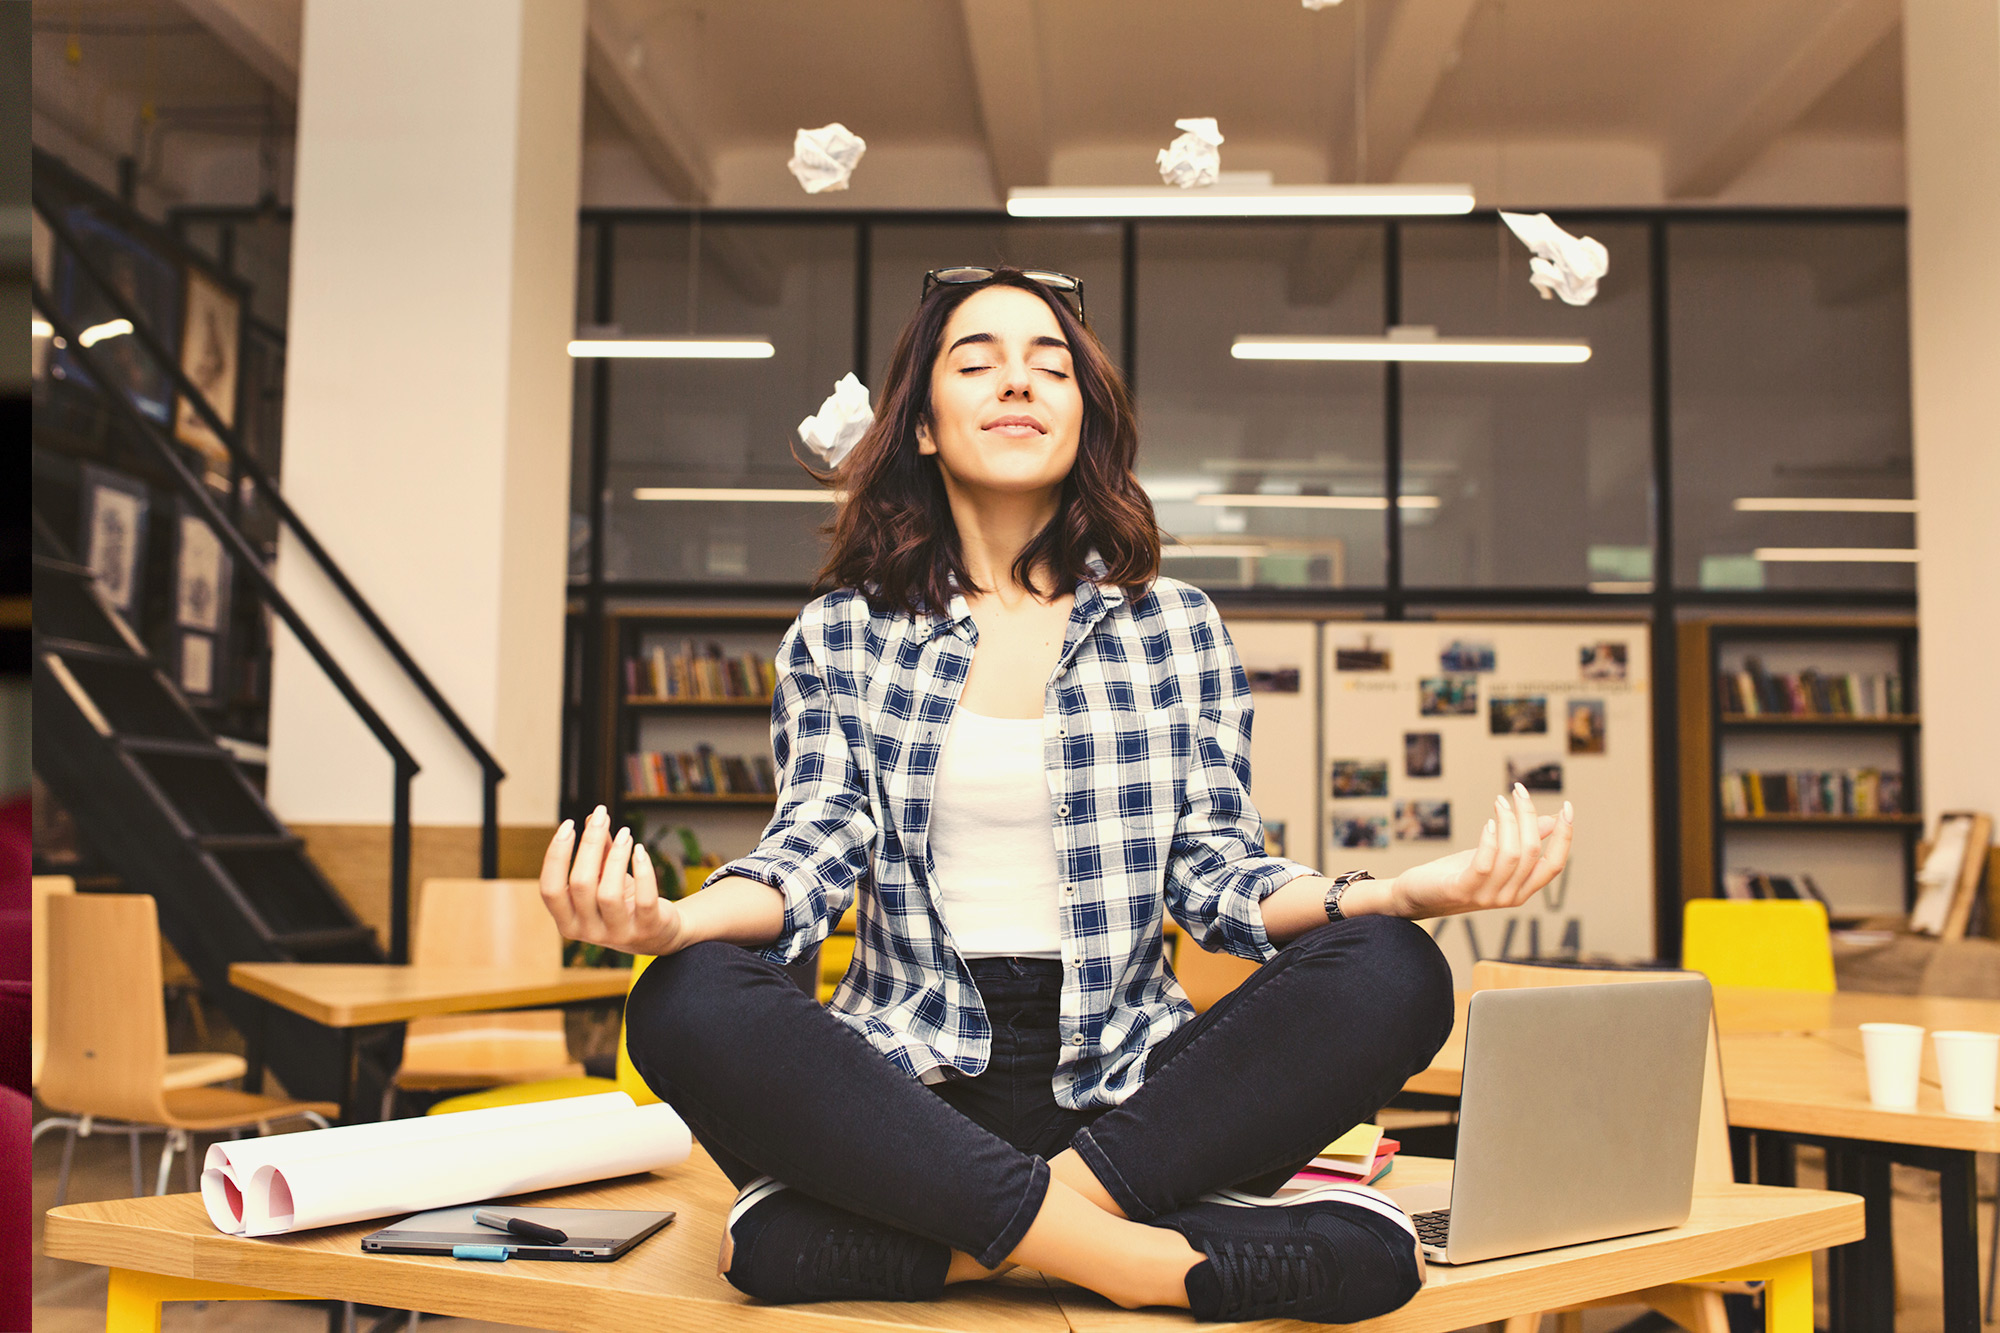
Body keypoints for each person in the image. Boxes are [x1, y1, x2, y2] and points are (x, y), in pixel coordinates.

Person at [540, 267, 1575, 1324]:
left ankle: (961, 1237)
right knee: (682, 996)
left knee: (1394, 968)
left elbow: (1218, 874)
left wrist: (1393, 895)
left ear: (1085, 417)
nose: (1016, 383)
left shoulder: (1173, 625)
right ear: (926, 427)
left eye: (1049, 365)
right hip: (906, 1093)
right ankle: (1142, 1263)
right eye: (976, 361)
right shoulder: (842, 631)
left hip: (1133, 1090)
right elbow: (808, 853)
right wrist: (670, 922)